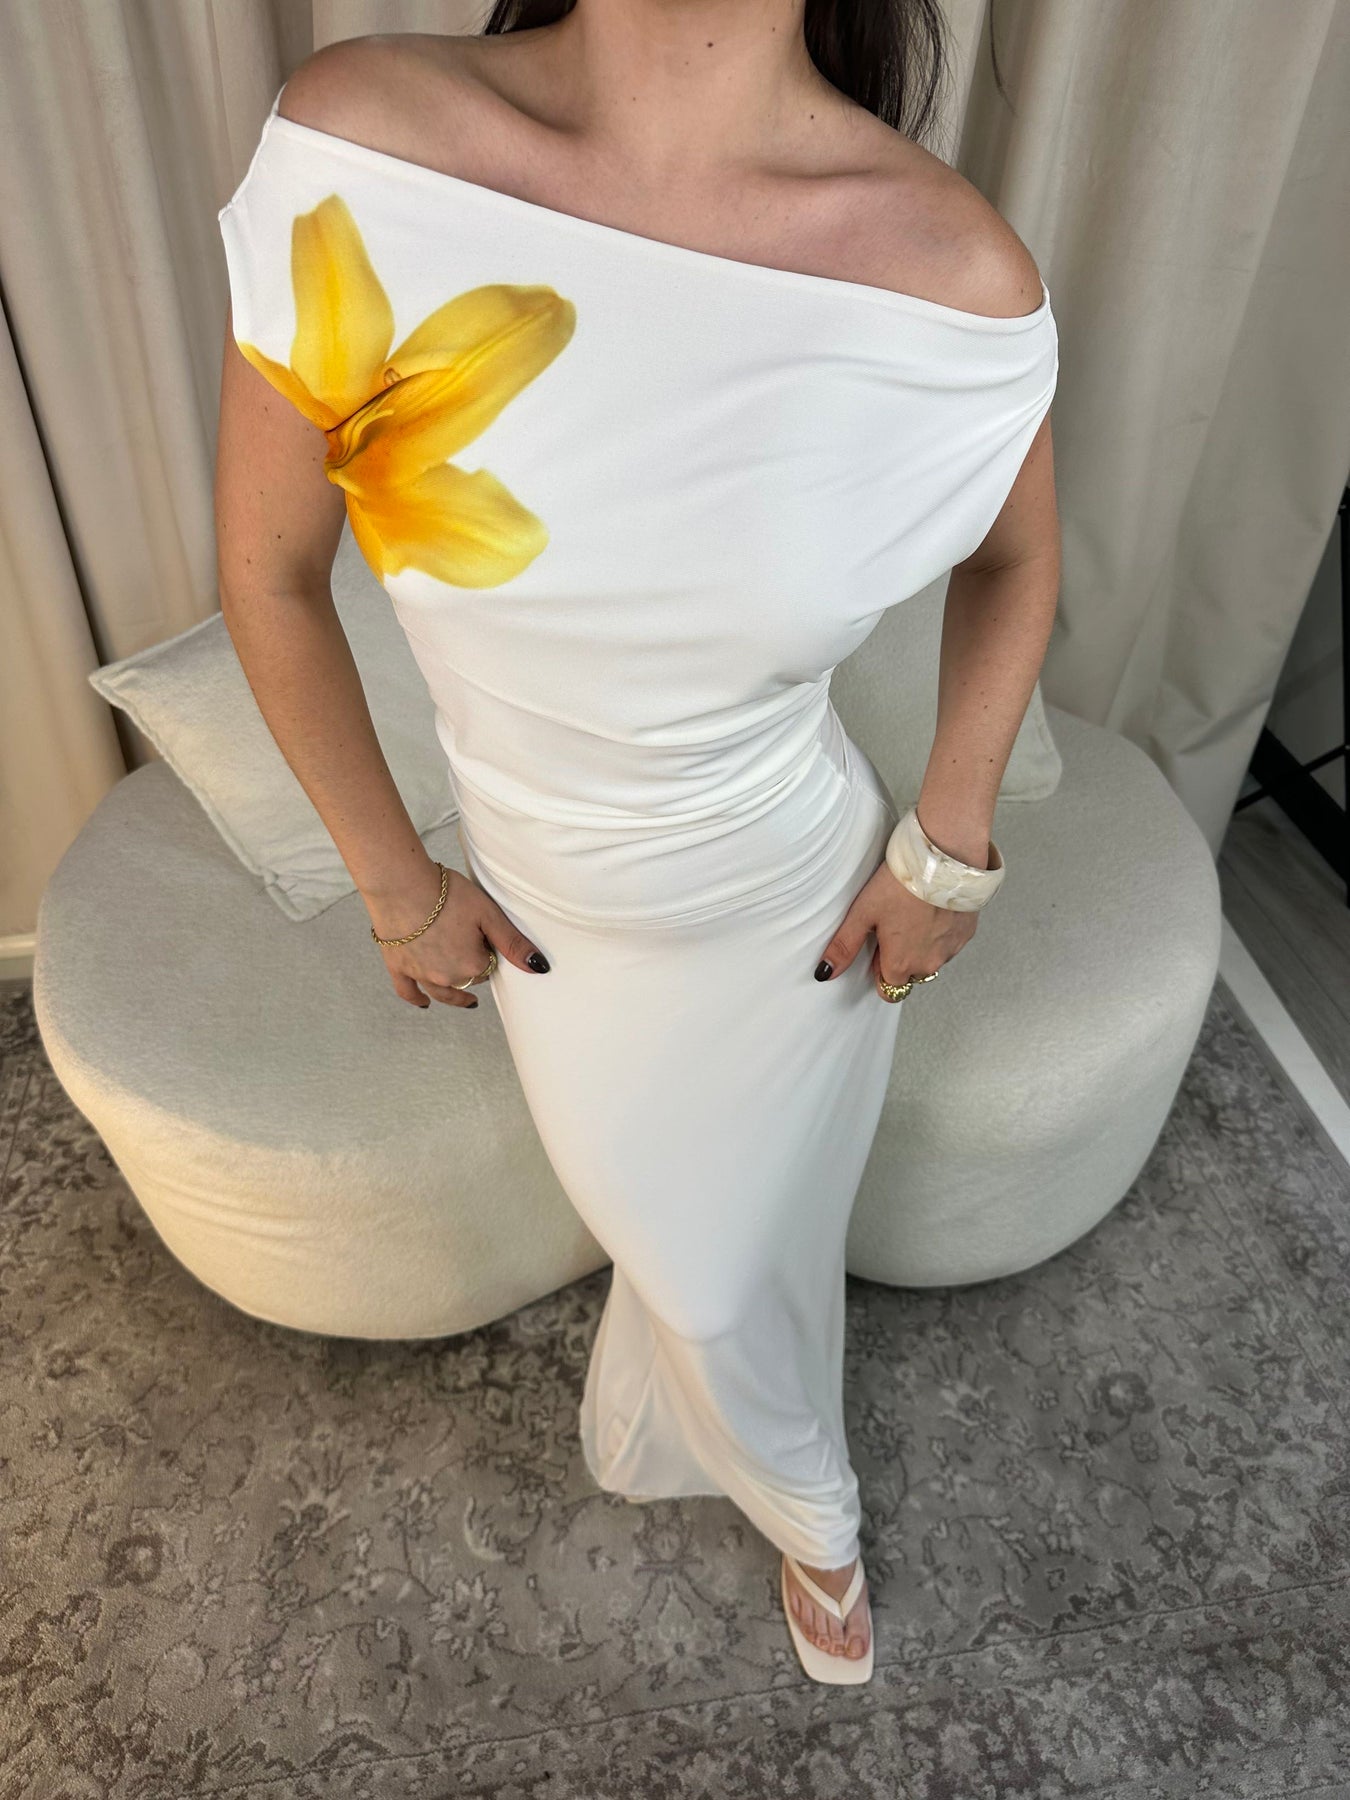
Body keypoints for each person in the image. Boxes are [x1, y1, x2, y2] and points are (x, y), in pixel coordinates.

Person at [213, 5, 1059, 1686]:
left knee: (752, 1240)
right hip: (557, 922)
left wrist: (947, 847)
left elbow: (1017, 561)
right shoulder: (364, 143)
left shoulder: (947, 272)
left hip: (800, 902)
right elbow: (268, 574)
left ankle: (811, 1512)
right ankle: (808, 1494)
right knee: (695, 1250)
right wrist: (396, 889)